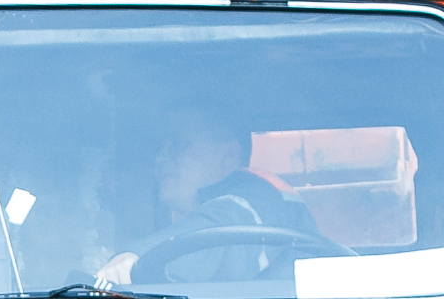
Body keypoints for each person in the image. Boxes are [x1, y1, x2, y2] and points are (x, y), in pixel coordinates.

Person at [94, 110, 320, 287]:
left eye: (178, 144)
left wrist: (132, 258)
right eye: (160, 147)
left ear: (229, 154)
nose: (161, 158)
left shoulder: (254, 200)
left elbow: (226, 218)